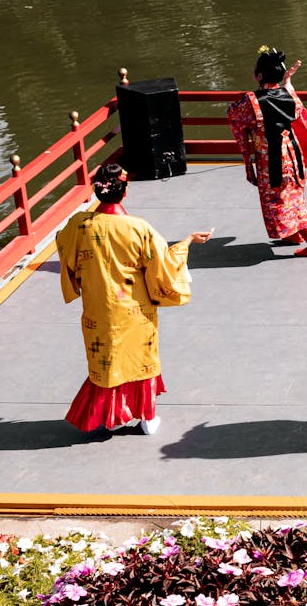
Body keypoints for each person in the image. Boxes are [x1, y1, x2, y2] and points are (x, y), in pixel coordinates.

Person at [56, 164, 212, 435]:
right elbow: (162, 266)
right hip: (135, 309)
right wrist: (186, 242)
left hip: (97, 308)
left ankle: (105, 415)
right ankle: (147, 417)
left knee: (105, 359)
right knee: (140, 359)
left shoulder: (77, 225)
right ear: (124, 192)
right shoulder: (139, 228)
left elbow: (64, 247)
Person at [228, 46, 307, 256]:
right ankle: (294, 235)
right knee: (293, 197)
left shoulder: (251, 102)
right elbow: (296, 106)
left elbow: (234, 114)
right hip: (291, 153)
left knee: (281, 202)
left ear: (260, 75)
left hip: (271, 159)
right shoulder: (287, 94)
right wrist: (288, 80)